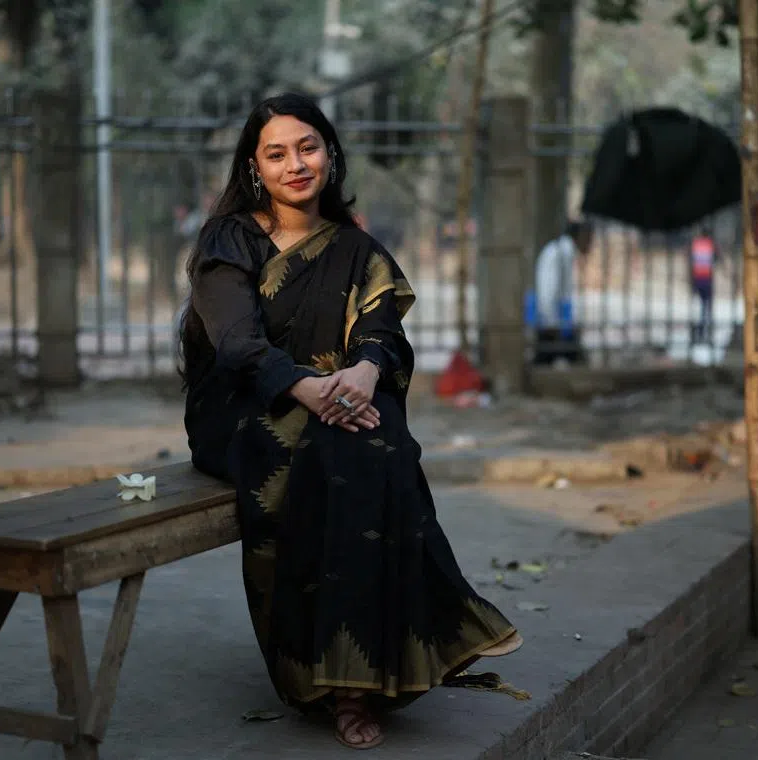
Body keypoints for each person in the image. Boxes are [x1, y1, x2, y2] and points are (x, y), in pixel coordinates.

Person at [179, 93, 521, 750]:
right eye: (276, 154)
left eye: (307, 147)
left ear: (329, 154)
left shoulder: (357, 248)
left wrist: (363, 373)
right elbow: (238, 346)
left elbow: (382, 332)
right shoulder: (231, 239)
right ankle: (403, 643)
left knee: (374, 433)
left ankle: (355, 676)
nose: (295, 164)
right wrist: (311, 390)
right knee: (354, 442)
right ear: (255, 167)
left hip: (337, 403)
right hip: (245, 411)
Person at [532, 219, 592, 366]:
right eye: (589, 238)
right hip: (552, 325)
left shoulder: (565, 253)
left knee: (546, 364)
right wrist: (552, 324)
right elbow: (548, 292)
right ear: (581, 236)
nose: (590, 244)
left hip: (556, 323)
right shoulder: (558, 254)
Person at [689, 228, 716, 344]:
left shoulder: (695, 244)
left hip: (697, 279)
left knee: (696, 307)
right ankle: (705, 332)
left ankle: (697, 332)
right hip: (707, 280)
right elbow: (717, 260)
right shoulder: (711, 245)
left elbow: (690, 262)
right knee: (706, 307)